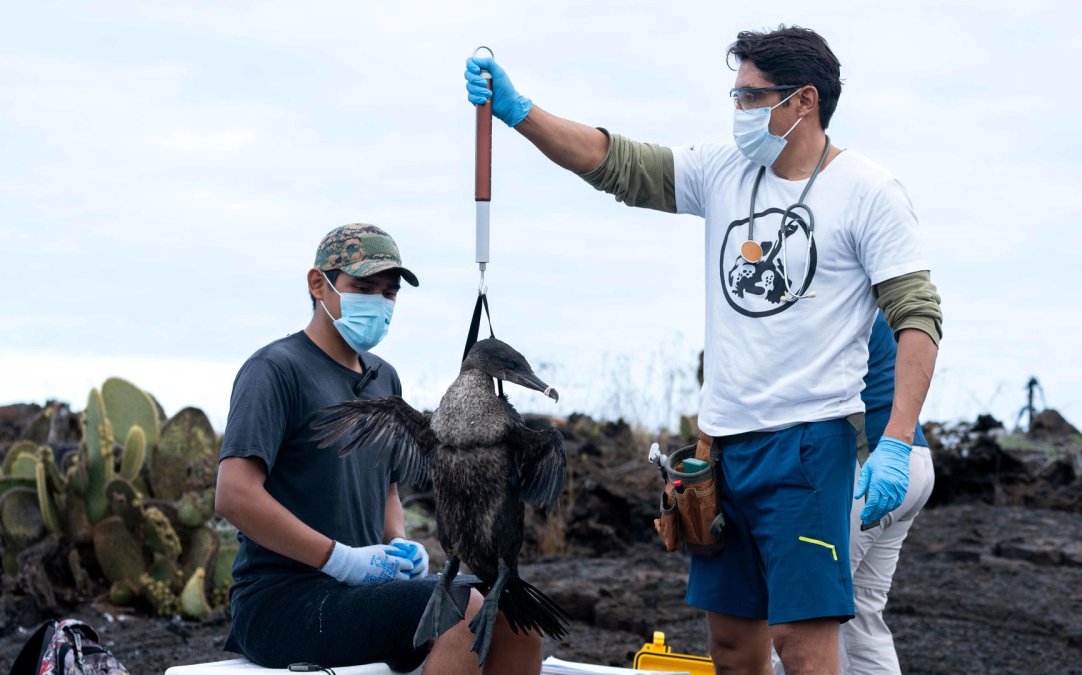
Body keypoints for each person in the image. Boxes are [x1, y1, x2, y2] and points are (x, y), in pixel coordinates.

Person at [463, 26, 942, 674]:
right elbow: (616, 164)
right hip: (721, 452)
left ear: (803, 100)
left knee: (802, 646)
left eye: (751, 97)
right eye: (735, 95)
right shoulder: (722, 170)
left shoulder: (867, 190)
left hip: (808, 447)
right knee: (733, 648)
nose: (738, 110)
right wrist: (521, 115)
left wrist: (895, 439)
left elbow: (918, 314)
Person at [214, 223, 543, 674]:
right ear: (318, 284)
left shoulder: (383, 378)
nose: (380, 302)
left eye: (389, 293)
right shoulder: (274, 369)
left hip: (358, 596)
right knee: (461, 607)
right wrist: (342, 559)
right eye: (363, 287)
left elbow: (386, 488)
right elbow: (234, 494)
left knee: (517, 614)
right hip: (281, 601)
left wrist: (398, 543)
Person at [770, 310, 936, 674]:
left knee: (801, 618)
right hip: (914, 460)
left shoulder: (832, 306)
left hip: (868, 467)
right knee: (864, 614)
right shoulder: (869, 308)